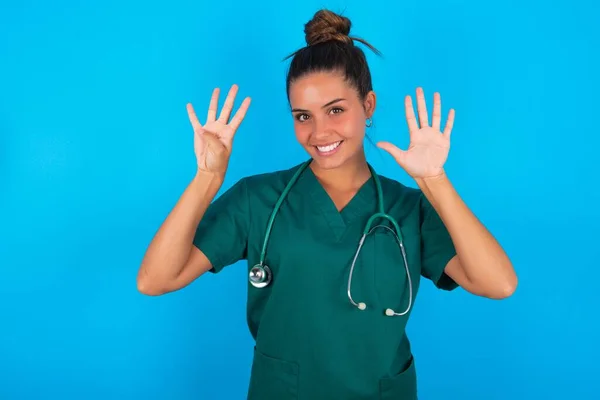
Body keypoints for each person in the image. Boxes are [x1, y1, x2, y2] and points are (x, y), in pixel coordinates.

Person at [137, 8, 517, 400]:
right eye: (303, 116)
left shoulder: (409, 208)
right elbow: (155, 280)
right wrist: (207, 178)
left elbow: (499, 283)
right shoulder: (257, 199)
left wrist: (435, 181)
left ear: (368, 106)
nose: (319, 132)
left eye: (336, 110)